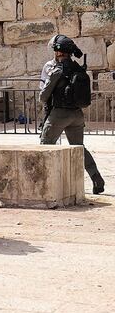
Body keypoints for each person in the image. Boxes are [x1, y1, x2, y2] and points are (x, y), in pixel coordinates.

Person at [39, 35, 105, 194]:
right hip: (77, 115)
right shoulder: (78, 68)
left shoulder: (56, 70)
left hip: (59, 115)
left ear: (58, 52)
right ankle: (97, 178)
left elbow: (43, 97)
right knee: (79, 148)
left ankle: (47, 186)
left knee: (45, 147)